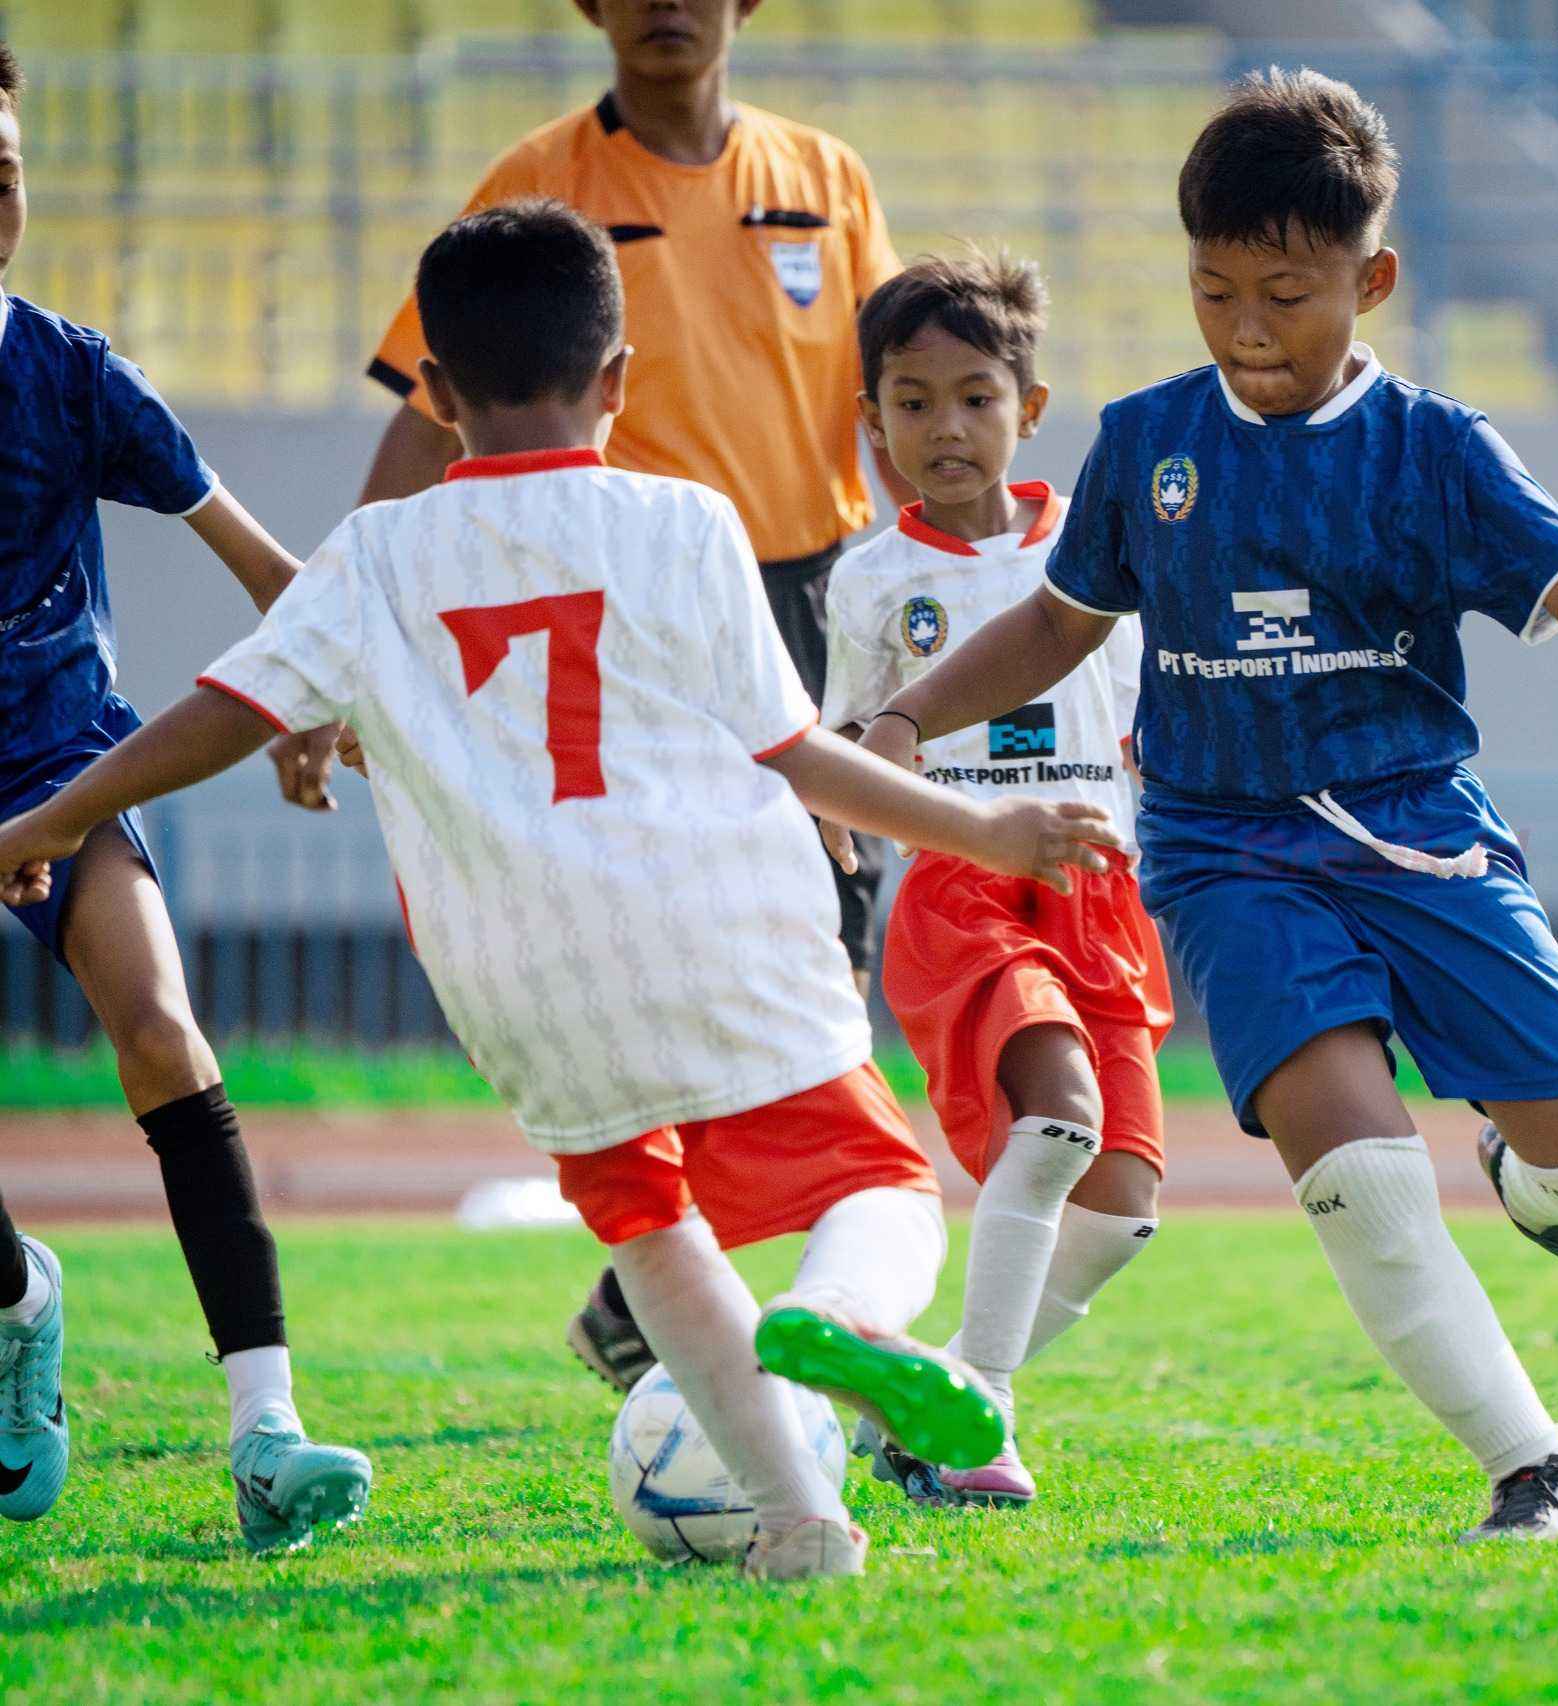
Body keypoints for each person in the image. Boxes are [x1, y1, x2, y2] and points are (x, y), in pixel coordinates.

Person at [0, 201, 1125, 1580]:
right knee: (883, 1183)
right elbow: (797, 751)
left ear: (436, 391)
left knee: (654, 1233)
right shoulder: (683, 521)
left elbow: (220, 710)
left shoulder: (375, 555)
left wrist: (53, 814)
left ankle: (799, 1520)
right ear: (619, 382)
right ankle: (844, 1312)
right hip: (721, 926)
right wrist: (988, 834)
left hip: (522, 979)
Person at [858, 70, 1558, 1542]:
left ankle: (1556, 1197)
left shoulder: (1436, 448)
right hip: (1229, 855)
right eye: (1213, 290)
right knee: (1357, 1176)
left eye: (1284, 294)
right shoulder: (1150, 440)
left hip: (1418, 828)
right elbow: (1056, 621)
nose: (1244, 330)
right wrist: (906, 713)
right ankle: (1534, 1466)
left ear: (1375, 279)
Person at [350, 0, 914, 1391]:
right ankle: (797, 1285)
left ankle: (661, 1291)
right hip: (645, 614)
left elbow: (892, 398)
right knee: (744, 947)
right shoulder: (541, 182)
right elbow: (428, 406)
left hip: (820, 595)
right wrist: (355, 623)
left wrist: (935, 575)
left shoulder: (827, 177)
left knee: (821, 942)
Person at [0, 39, 371, 1551]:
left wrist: (312, 694)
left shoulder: (71, 371)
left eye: (4, 172)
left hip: (63, 770)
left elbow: (271, 571)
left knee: (160, 1028)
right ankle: (20, 1300)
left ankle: (268, 1430)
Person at [821, 251, 1170, 1509]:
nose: (943, 427)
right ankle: (984, 1424)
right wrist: (832, 828)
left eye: (975, 395)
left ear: (1029, 405)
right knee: (1055, 1121)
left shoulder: (1102, 550)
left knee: (1122, 1205)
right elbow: (840, 746)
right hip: (962, 889)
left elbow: (1143, 720)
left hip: (1101, 893)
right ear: (871, 422)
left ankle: (936, 1385)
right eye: (911, 402)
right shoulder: (870, 581)